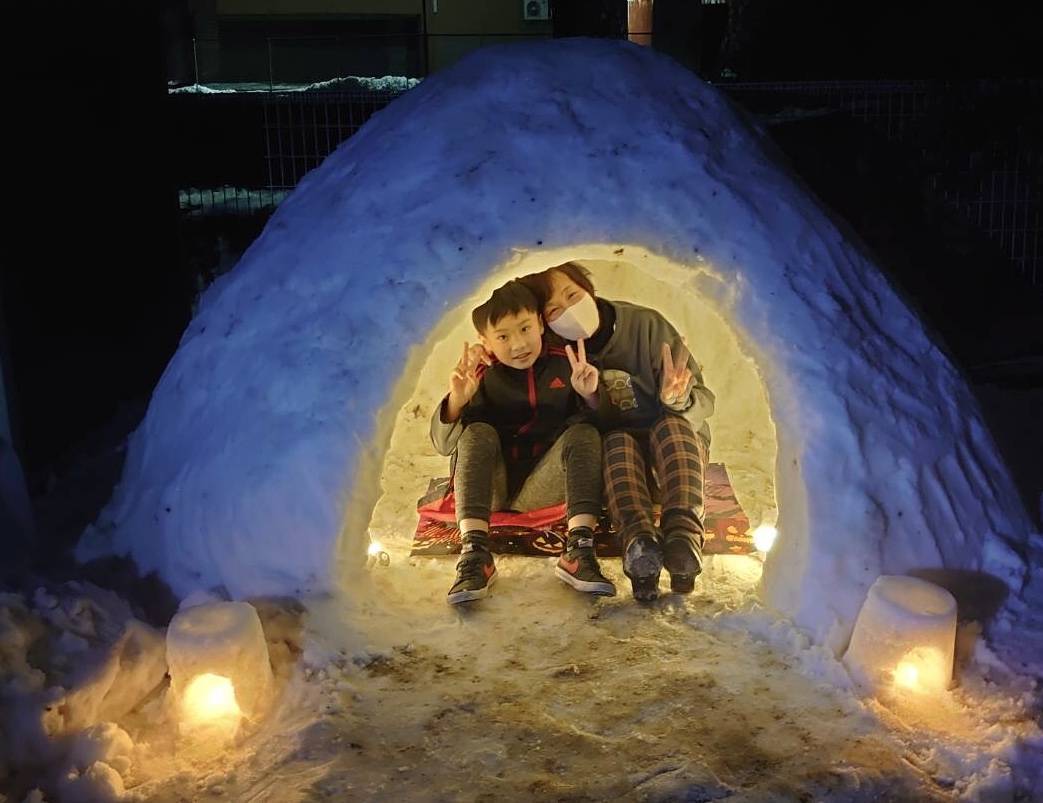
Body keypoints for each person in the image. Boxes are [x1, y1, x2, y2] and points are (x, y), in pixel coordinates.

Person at [521, 263, 715, 601]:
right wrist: (591, 399)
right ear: (544, 321)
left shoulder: (646, 325)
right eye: (555, 309)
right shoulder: (555, 355)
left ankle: (684, 540)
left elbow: (703, 403)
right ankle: (640, 547)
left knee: (671, 426)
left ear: (589, 289)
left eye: (573, 295)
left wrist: (677, 397)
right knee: (616, 442)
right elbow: (574, 436)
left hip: (674, 463)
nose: (570, 311)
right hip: (619, 472)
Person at [430, 279, 615, 604]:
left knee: (584, 432)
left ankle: (579, 549)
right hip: (490, 492)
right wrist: (457, 402)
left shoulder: (567, 360)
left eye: (525, 328)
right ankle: (475, 554)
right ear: (484, 340)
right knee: (476, 432)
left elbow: (602, 432)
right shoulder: (480, 373)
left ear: (541, 323)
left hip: (545, 487)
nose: (518, 344)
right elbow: (446, 446)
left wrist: (591, 396)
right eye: (503, 336)